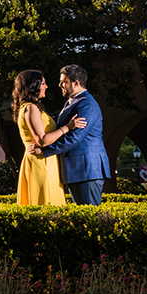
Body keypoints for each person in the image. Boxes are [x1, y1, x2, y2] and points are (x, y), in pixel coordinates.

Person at [26, 64, 111, 205]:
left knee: (89, 219)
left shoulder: (86, 104)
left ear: (76, 83)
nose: (59, 85)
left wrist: (45, 150)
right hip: (77, 171)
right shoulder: (71, 102)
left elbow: (75, 137)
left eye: (64, 81)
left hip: (86, 170)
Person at [14, 69, 86, 205]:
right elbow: (42, 139)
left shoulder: (28, 108)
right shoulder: (31, 108)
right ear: (33, 86)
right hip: (41, 163)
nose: (46, 87)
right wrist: (67, 128)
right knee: (46, 203)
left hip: (44, 161)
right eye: (43, 83)